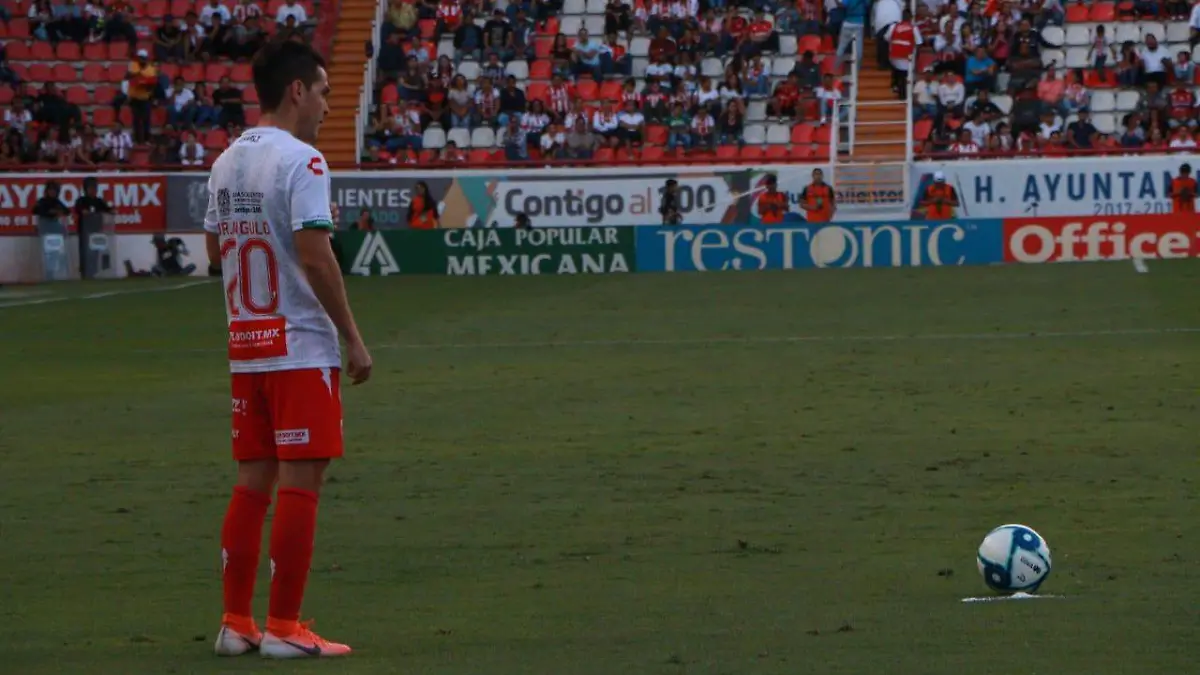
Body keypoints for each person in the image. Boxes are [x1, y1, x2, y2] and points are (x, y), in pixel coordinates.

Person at [203, 38, 372, 660]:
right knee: (303, 481)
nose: (329, 105)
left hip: (247, 346)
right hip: (298, 347)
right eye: (325, 92)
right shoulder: (303, 162)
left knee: (252, 482)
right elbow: (314, 252)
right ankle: (285, 626)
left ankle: (234, 622)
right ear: (297, 90)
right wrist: (352, 337)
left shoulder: (226, 162)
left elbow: (213, 252)